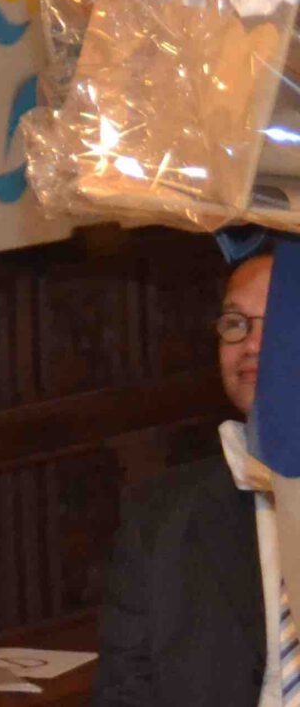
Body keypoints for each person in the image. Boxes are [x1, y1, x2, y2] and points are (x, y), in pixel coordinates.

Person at [93, 250, 274, 706]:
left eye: (279, 321)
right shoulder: (159, 518)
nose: (252, 344)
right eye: (236, 323)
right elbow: (124, 695)